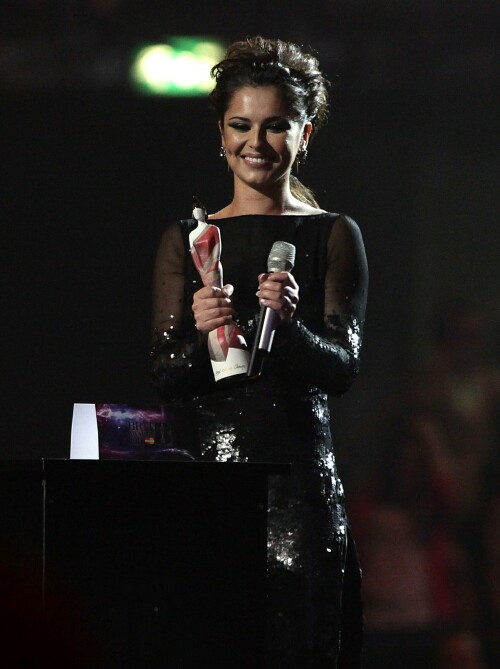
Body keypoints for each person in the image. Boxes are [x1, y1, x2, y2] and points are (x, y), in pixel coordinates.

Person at [150, 36, 368, 668]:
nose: (256, 143)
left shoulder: (331, 234)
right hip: (207, 492)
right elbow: (166, 373)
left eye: (276, 127)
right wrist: (201, 330)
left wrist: (289, 326)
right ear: (220, 132)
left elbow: (343, 366)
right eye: (241, 125)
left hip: (299, 496)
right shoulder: (187, 238)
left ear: (303, 133)